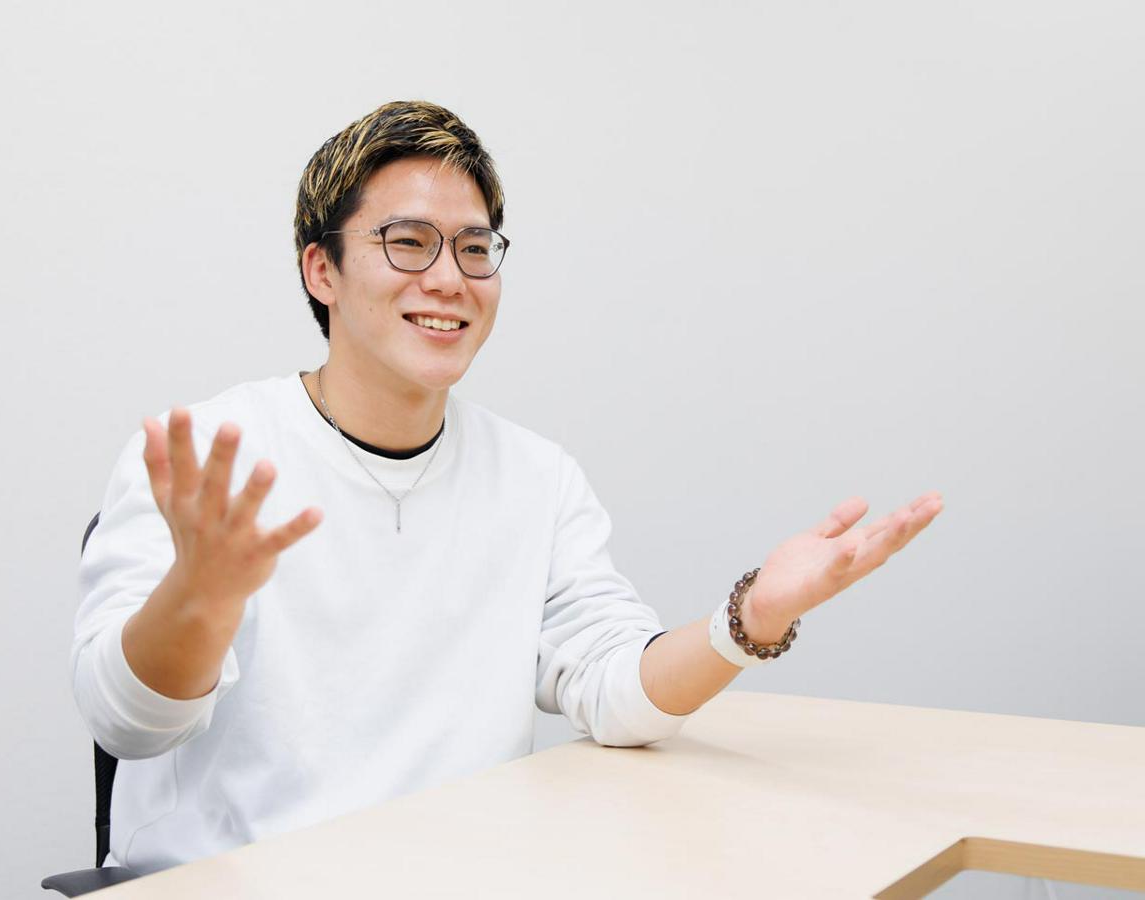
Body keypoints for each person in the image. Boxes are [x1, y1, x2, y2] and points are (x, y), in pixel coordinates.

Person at [71, 99, 943, 875]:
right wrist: (199, 595)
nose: (449, 278)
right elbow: (129, 724)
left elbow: (616, 691)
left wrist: (749, 619)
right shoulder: (205, 458)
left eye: (475, 248)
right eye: (407, 241)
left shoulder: (534, 477)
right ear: (321, 271)